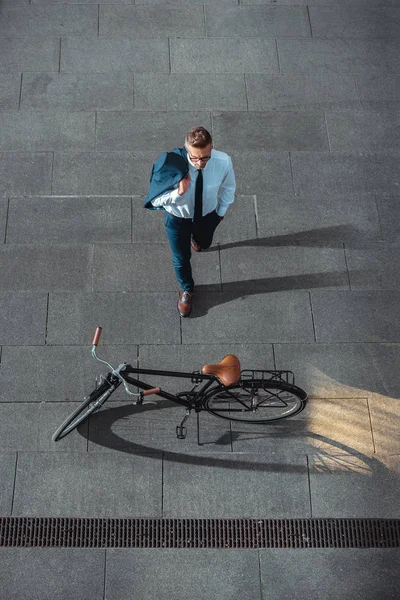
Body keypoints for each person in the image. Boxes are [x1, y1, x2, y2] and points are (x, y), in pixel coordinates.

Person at [147, 126, 236, 317]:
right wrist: (179, 192)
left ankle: (197, 240)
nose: (199, 163)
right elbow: (155, 200)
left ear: (212, 148)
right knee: (180, 257)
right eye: (194, 157)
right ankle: (187, 289)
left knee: (203, 243)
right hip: (177, 219)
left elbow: (229, 188)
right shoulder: (171, 165)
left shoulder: (223, 162)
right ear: (187, 149)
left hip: (207, 216)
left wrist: (220, 214)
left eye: (205, 157)